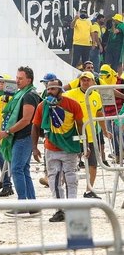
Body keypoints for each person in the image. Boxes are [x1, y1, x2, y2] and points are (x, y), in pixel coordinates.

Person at [32, 79, 84, 222]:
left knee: (71, 179)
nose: (50, 92)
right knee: (54, 180)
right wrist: (35, 148)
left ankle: (71, 209)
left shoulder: (72, 104)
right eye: (48, 89)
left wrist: (83, 144)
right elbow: (35, 126)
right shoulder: (42, 106)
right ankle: (59, 210)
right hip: (51, 147)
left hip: (69, 148)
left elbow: (80, 126)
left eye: (53, 89)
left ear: (60, 89)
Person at [0, 66, 41, 216]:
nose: (17, 81)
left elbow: (26, 119)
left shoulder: (28, 96)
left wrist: (7, 132)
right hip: (25, 137)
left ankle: (23, 204)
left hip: (23, 136)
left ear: (29, 80)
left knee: (16, 169)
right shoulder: (26, 93)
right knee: (23, 169)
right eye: (17, 78)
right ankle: (32, 204)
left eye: (20, 78)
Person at [64, 72, 112, 199]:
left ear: (93, 82)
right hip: (74, 135)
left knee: (93, 164)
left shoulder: (96, 95)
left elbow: (99, 114)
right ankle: (67, 191)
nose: (85, 82)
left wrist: (105, 131)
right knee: (70, 164)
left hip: (91, 136)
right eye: (83, 80)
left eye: (88, 80)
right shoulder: (71, 94)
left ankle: (88, 190)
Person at [39, 72, 57, 187]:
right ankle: (48, 176)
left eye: (47, 82)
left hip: (57, 127)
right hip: (47, 127)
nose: (46, 85)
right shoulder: (45, 93)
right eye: (45, 83)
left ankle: (55, 177)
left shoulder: (60, 93)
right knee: (47, 152)